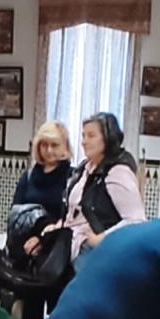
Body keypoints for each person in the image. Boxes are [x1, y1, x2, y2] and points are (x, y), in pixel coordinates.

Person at [4, 121, 74, 319]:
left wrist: (42, 238)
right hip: (29, 253)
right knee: (29, 315)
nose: (49, 150)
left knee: (56, 314)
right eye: (45, 145)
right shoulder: (29, 176)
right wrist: (28, 242)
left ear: (65, 147)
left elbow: (69, 216)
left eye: (55, 145)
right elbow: (16, 211)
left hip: (56, 253)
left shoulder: (72, 177)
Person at [61, 112, 144, 266]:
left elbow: (135, 220)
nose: (84, 141)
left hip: (95, 252)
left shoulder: (118, 172)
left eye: (91, 136)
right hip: (71, 243)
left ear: (108, 138)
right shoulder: (85, 168)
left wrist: (101, 239)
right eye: (83, 136)